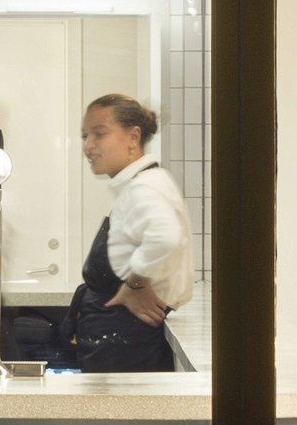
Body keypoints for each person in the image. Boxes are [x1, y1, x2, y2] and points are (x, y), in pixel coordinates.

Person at [59, 91, 195, 369]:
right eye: (85, 136)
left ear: (133, 137)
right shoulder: (147, 182)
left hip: (125, 347)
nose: (88, 146)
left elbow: (165, 236)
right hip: (119, 342)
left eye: (99, 134)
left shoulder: (143, 188)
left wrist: (136, 283)